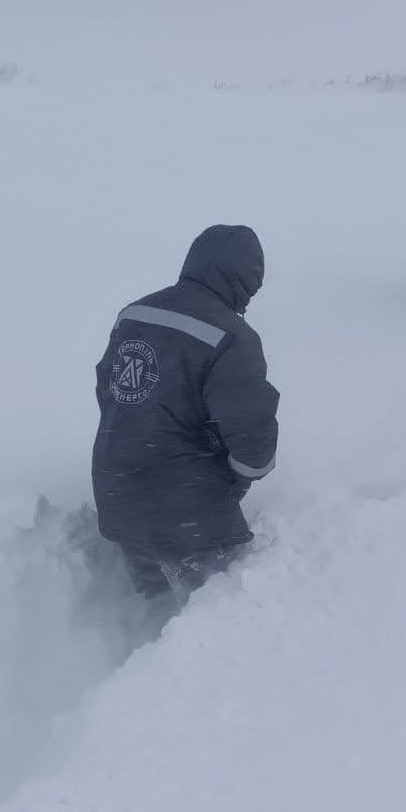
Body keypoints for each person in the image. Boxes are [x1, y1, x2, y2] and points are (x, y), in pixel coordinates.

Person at [92, 224, 279, 610]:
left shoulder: (134, 313)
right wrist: (237, 474)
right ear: (245, 280)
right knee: (207, 620)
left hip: (115, 495)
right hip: (187, 516)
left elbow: (109, 392)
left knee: (157, 609)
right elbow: (253, 444)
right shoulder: (231, 336)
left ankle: (141, 650)